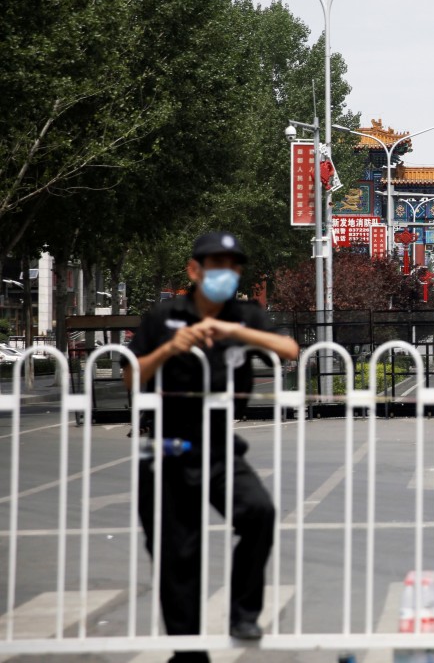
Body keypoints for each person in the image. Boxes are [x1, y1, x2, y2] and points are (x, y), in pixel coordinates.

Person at [123, 232, 299, 663]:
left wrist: (233, 330)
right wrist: (168, 349)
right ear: (194, 270)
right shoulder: (165, 316)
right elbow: (131, 376)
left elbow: (289, 349)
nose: (224, 273)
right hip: (165, 448)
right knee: (176, 553)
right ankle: (188, 653)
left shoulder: (244, 315)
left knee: (258, 512)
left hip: (220, 447)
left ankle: (243, 614)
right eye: (214, 264)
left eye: (232, 266)